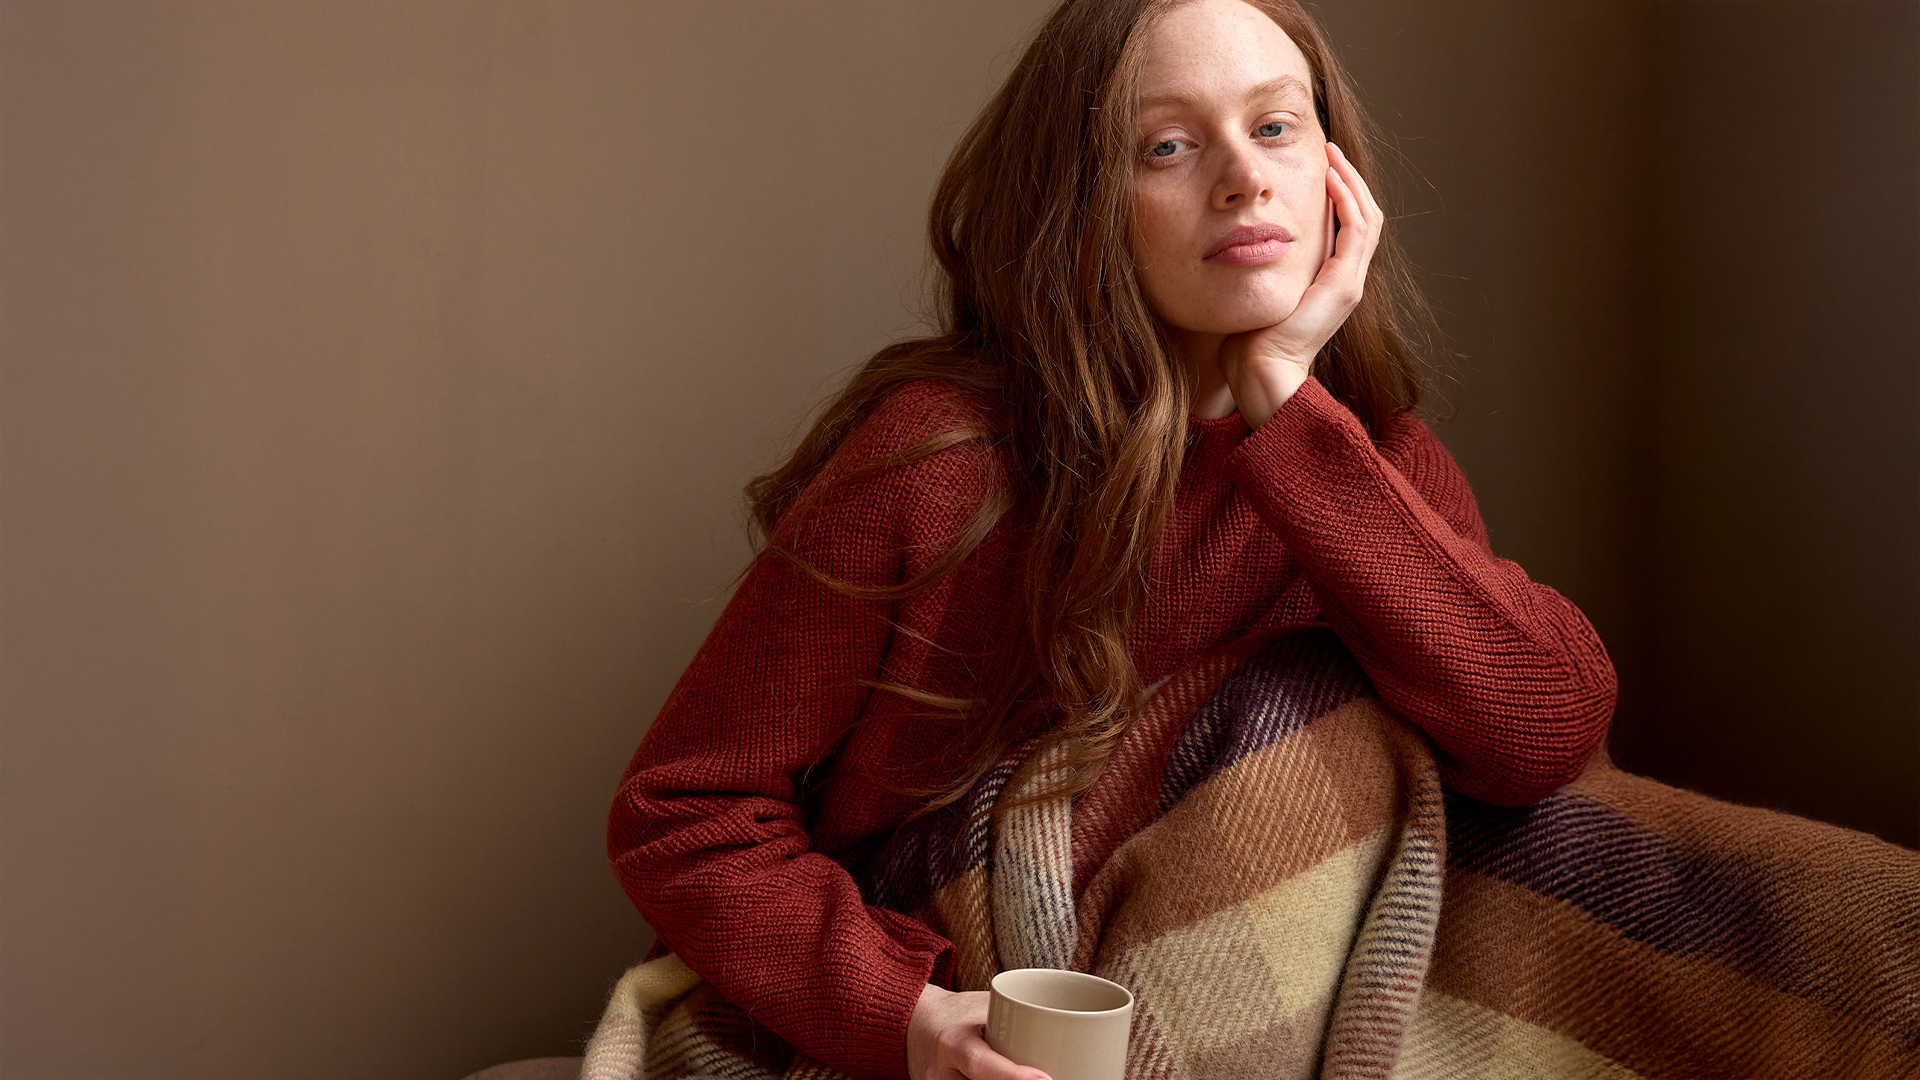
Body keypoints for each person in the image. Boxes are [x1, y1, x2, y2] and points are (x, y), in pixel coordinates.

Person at [605, 1, 1618, 1078]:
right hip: (985, 994)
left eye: (1275, 127)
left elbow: (1544, 737)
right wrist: (904, 1017)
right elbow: (688, 813)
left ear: (1337, 172)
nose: (1243, 179)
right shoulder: (940, 459)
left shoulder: (1367, 463)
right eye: (1168, 147)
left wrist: (1282, 404)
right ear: (1083, 206)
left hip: (1275, 995)